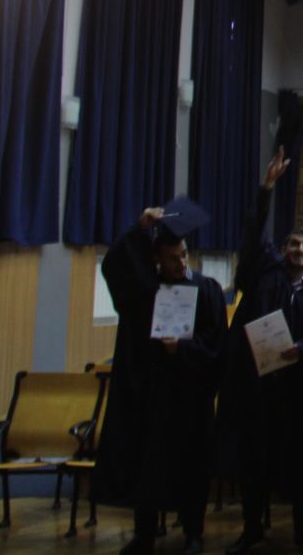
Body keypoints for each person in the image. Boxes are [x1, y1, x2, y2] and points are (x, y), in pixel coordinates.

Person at [215, 149, 303, 555]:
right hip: (258, 392)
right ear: (284, 249)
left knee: (301, 469)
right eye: (293, 244)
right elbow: (253, 234)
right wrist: (266, 189)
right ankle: (251, 529)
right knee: (253, 466)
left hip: (298, 395)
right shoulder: (263, 277)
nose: (299, 250)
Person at [94, 202, 226, 555]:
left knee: (192, 465)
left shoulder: (207, 289)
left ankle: (194, 532)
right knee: (148, 465)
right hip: (152, 396)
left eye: (184, 255)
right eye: (172, 258)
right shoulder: (145, 290)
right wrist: (139, 229)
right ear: (156, 260)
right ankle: (145, 534)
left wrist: (182, 349)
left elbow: (216, 343)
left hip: (190, 394)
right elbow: (114, 266)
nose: (181, 263)